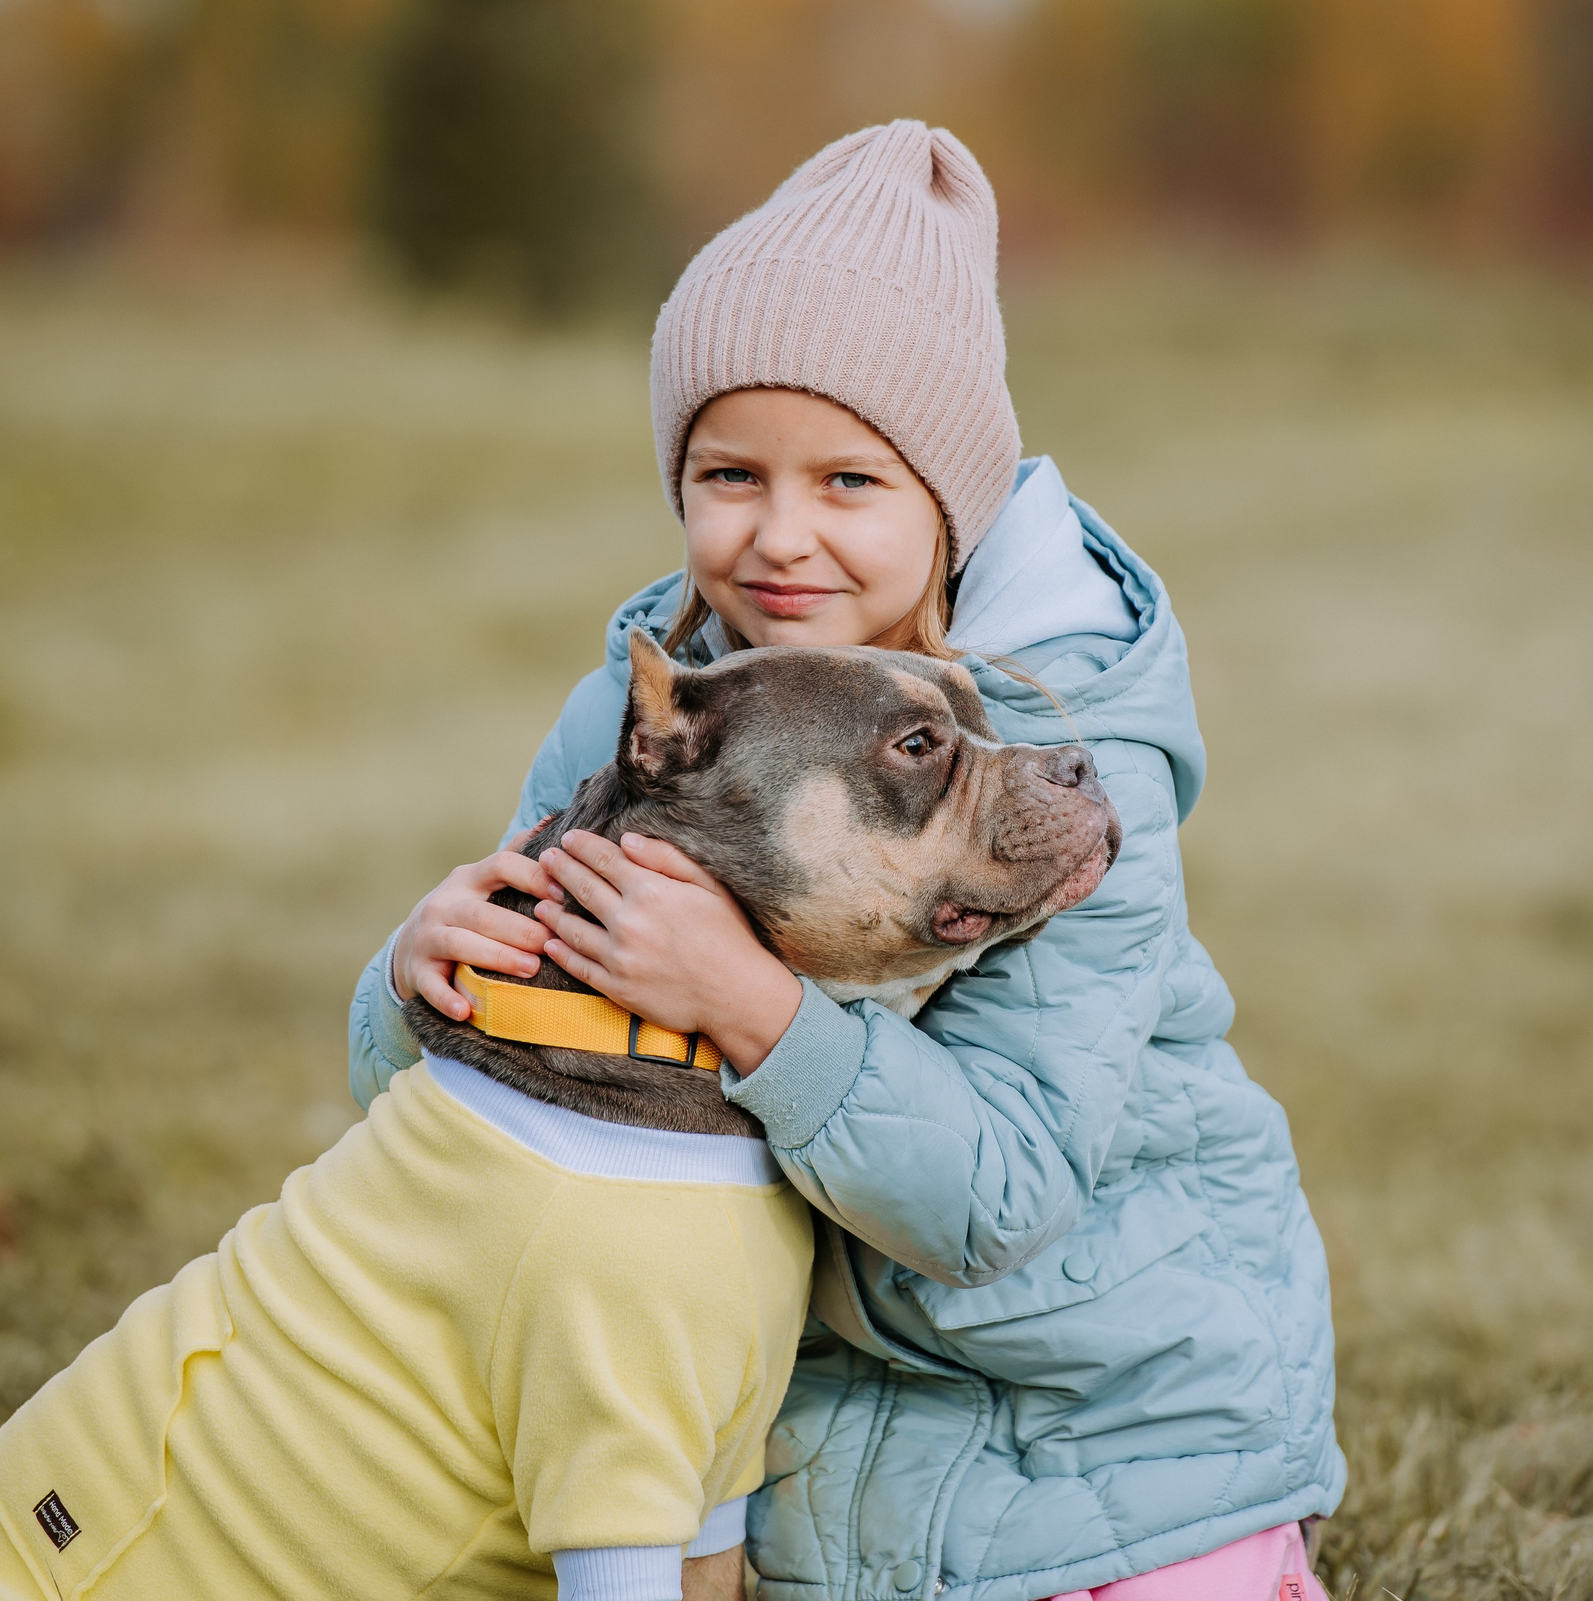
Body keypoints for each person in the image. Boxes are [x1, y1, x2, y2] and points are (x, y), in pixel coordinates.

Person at [352, 120, 1342, 1601]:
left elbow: (1001, 1195)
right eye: (729, 473)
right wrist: (415, 979)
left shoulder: (1058, 762)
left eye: (849, 482)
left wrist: (750, 1006)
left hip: (1105, 1411)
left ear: (950, 497)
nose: (780, 536)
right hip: (781, 1420)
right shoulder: (660, 710)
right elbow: (459, 1110)